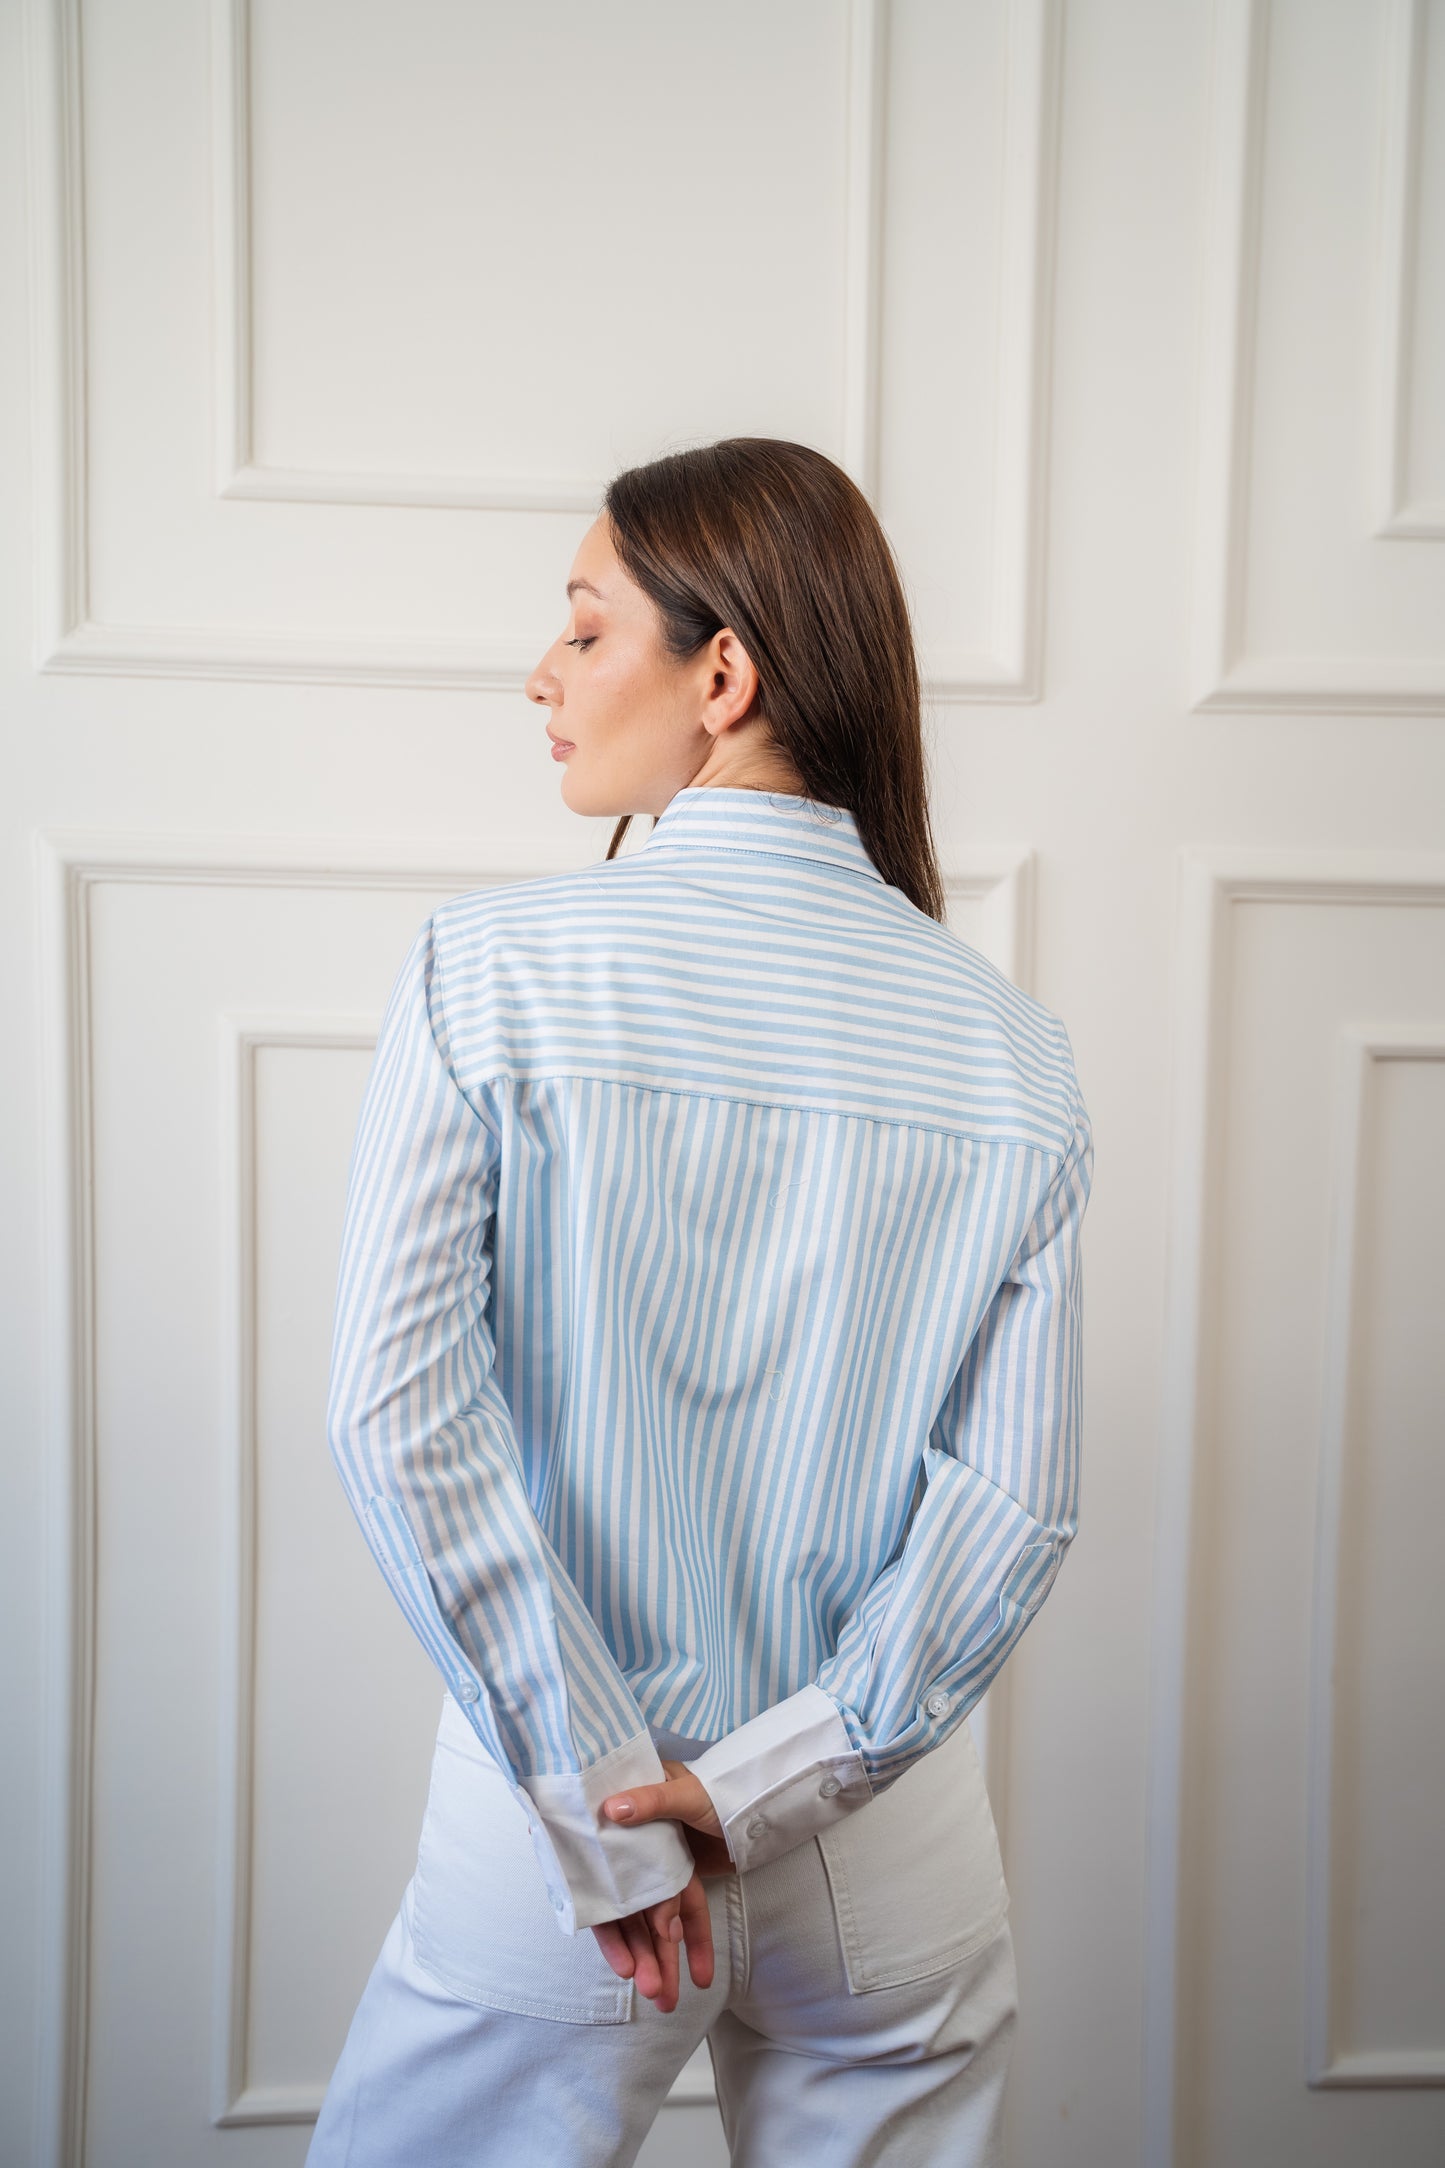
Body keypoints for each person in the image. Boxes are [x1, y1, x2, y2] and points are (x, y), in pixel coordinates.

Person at [306, 437, 1093, 2166]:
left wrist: (612, 1798)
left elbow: (394, 1419)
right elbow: (1015, 1506)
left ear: (718, 675)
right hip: (888, 1869)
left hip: (562, 1863)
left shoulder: (485, 974)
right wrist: (769, 1788)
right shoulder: (1014, 1053)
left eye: (585, 630)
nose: (544, 672)